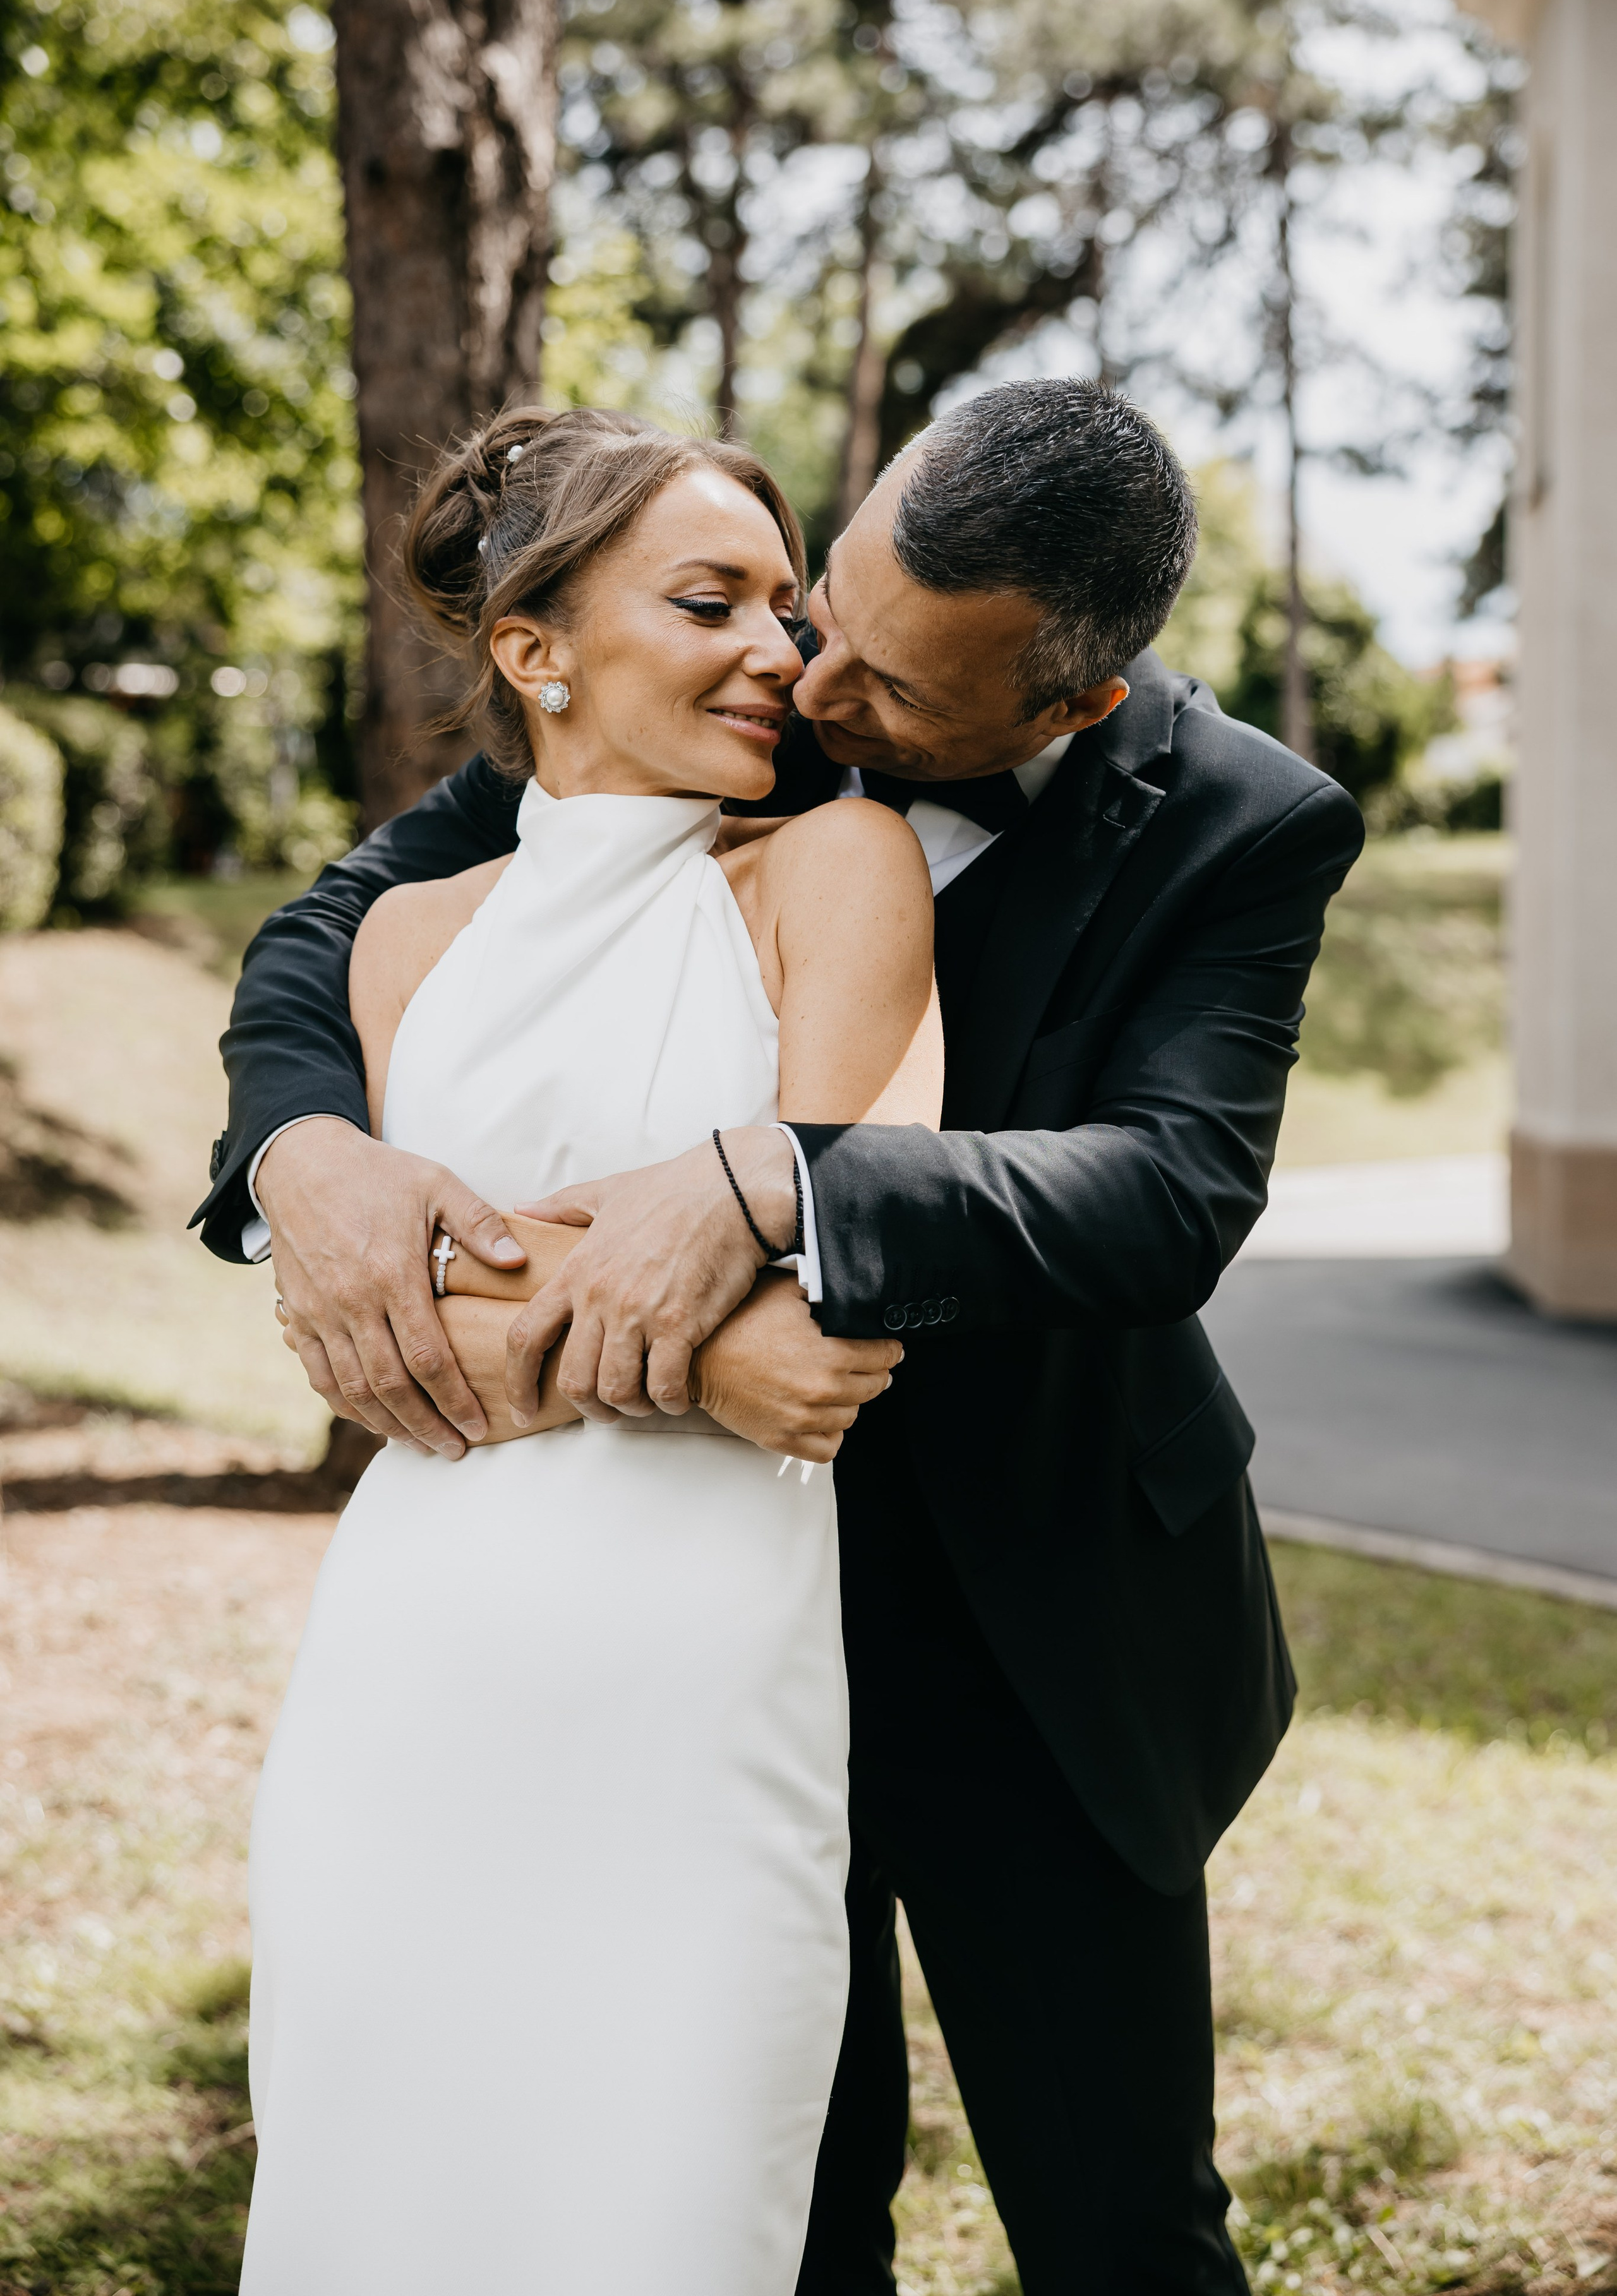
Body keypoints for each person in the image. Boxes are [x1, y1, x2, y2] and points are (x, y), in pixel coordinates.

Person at [197, 376, 1364, 2295]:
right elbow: (334, 934)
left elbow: (1166, 1191)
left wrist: (777, 1178)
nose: (815, 688)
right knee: (766, 2215)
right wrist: (300, 1151)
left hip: (1029, 1610)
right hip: (673, 1620)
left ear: (1069, 704)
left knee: (1117, 2220)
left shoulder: (1245, 824)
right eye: (829, 609)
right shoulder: (743, 680)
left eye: (890, 690)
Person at [236, 405, 944, 2295]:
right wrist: (691, 1348)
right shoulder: (403, 940)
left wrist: (489, 1289)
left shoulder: (837, 870)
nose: (778, 652)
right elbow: (355, 1328)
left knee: (670, 2214)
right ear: (534, 650)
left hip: (698, 1695)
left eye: (784, 607)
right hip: (411, 1665)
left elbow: (842, 1288)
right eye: (712, 602)